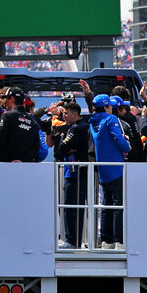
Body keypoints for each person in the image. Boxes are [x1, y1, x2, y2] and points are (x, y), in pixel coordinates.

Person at [89, 95, 131, 248]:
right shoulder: (110, 119)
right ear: (106, 107)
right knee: (118, 204)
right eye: (110, 106)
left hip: (103, 169)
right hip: (115, 168)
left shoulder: (93, 122)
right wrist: (127, 145)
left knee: (106, 205)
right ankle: (119, 241)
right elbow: (119, 139)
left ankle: (107, 240)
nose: (112, 108)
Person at [51, 98, 92, 246]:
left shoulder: (78, 127)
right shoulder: (75, 126)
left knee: (72, 207)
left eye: (66, 113)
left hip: (75, 173)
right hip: (74, 171)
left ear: (75, 114)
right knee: (72, 207)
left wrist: (67, 147)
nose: (64, 116)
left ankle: (72, 240)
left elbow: (61, 149)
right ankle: (73, 239)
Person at [0, 87, 49, 162]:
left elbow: (0, 140)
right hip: (25, 167)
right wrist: (23, 161)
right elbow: (36, 146)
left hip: (5, 165)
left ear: (12, 99)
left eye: (7, 98)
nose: (5, 101)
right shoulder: (32, 120)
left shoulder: (6, 116)